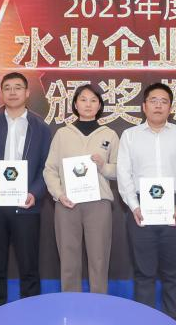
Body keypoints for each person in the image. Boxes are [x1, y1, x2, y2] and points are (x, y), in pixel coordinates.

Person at [0, 72, 52, 310]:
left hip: (26, 204)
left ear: (27, 93)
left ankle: (30, 311)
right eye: (7, 88)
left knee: (29, 265)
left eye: (18, 87)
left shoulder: (41, 127)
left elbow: (47, 167)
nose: (13, 92)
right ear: (2, 93)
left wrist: (34, 193)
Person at [116, 82, 176, 321]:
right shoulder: (130, 136)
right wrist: (134, 206)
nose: (158, 106)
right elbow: (124, 173)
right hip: (141, 208)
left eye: (164, 101)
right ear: (144, 106)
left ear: (171, 107)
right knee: (144, 272)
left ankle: (172, 321)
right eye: (153, 101)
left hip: (175, 207)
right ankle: (146, 322)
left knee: (174, 272)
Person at [43, 84, 120, 294]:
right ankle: (71, 303)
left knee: (99, 258)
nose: (88, 104)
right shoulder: (62, 134)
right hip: (68, 203)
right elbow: (50, 169)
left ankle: (99, 303)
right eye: (83, 99)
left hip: (99, 203)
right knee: (68, 258)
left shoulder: (110, 134)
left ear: (100, 105)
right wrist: (59, 194)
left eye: (93, 100)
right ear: (75, 104)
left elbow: (119, 170)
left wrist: (103, 166)